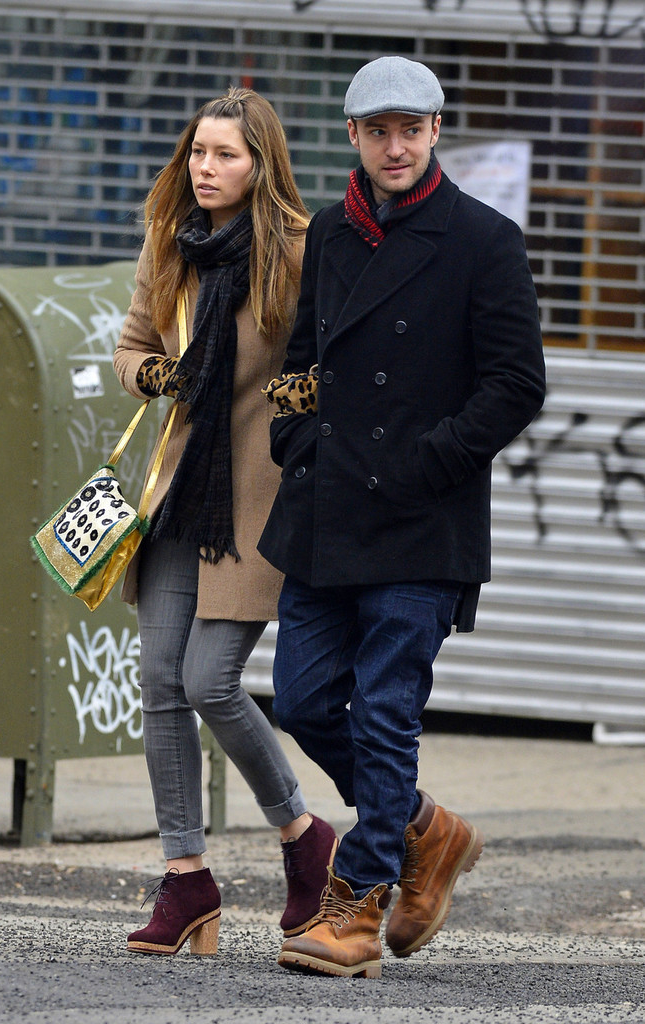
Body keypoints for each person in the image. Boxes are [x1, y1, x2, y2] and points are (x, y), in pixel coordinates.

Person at [258, 56, 546, 978]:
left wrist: (430, 462)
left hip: (423, 520)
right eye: (378, 131)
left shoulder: (484, 239)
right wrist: (294, 439)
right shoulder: (329, 232)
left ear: (434, 131)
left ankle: (357, 902)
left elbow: (517, 384)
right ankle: (425, 826)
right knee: (303, 701)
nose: (395, 147)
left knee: (385, 713)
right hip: (327, 508)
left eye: (411, 130)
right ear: (352, 135)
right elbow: (302, 360)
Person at [113, 87, 337, 958]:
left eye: (225, 155)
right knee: (158, 683)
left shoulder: (302, 250)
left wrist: (304, 398)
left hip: (257, 495)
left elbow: (329, 356)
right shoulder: (171, 242)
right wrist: (153, 375)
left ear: (261, 165)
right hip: (178, 490)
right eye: (198, 152)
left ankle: (303, 836)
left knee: (208, 680)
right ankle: (186, 879)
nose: (205, 169)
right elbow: (132, 344)